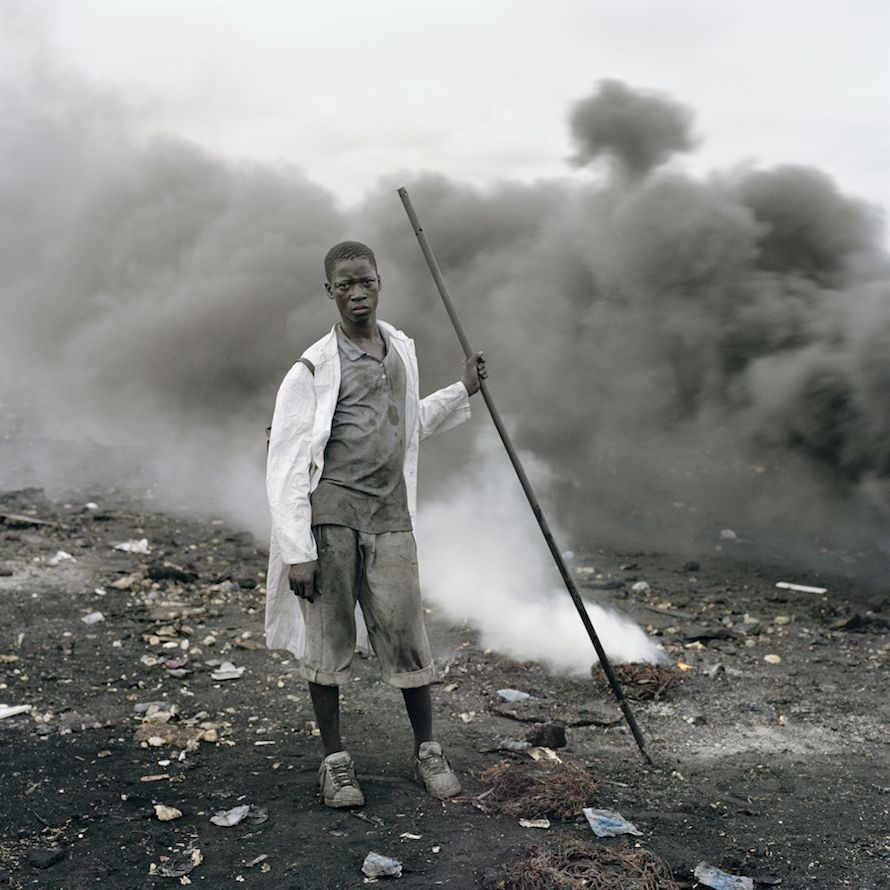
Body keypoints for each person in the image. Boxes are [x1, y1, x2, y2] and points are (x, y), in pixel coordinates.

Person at [264, 240, 486, 808]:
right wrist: (297, 550)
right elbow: (286, 464)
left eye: (365, 282)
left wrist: (463, 388)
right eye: (345, 285)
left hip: (391, 517)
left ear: (379, 282)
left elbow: (408, 425)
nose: (357, 293)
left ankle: (427, 750)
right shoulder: (311, 369)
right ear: (330, 292)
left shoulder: (401, 350)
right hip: (331, 522)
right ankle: (336, 764)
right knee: (327, 641)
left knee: (408, 636)